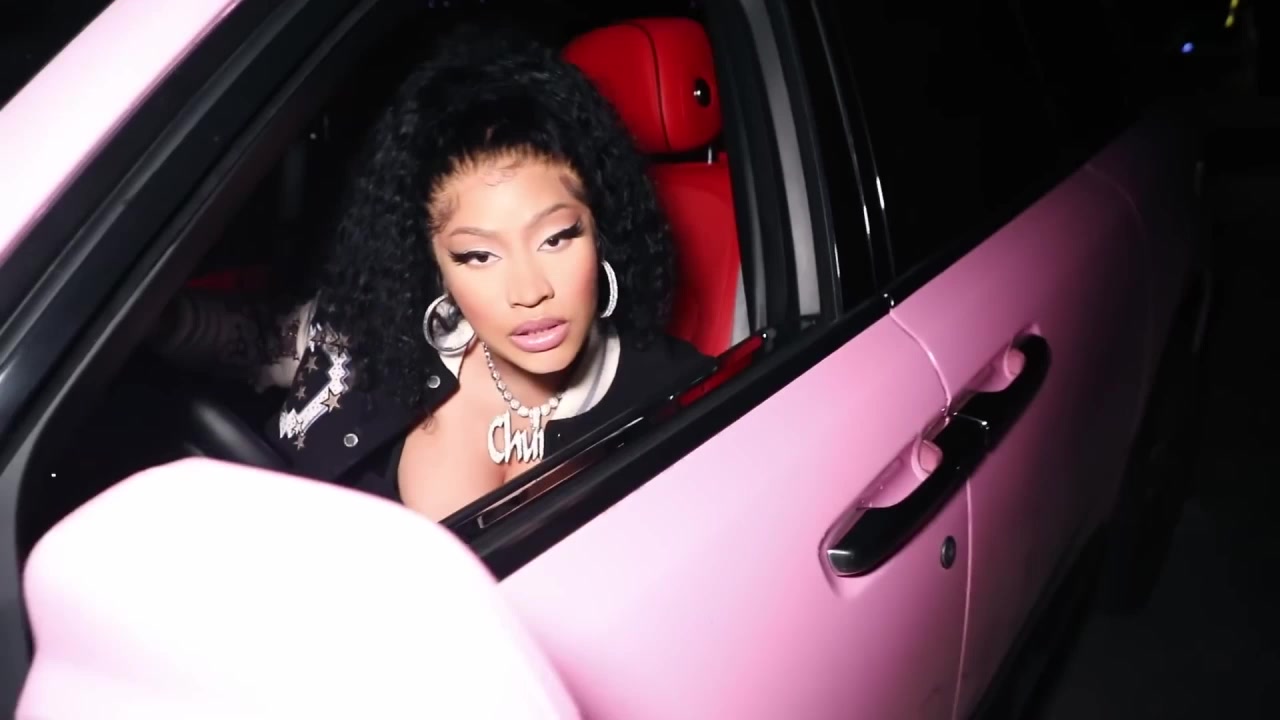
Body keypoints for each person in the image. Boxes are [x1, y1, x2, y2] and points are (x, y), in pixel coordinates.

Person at [150, 25, 713, 521]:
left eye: (557, 237)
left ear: (600, 229)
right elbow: (249, 338)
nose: (529, 291)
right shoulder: (371, 333)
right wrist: (149, 322)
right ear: (434, 261)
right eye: (477, 256)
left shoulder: (682, 397)